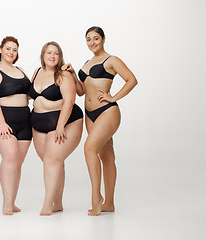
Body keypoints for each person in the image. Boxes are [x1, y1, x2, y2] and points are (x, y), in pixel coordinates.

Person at [63, 26, 138, 216]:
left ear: (103, 39)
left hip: (107, 111)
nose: (92, 43)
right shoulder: (87, 62)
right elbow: (81, 91)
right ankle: (109, 203)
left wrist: (114, 97)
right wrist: (73, 73)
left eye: (96, 38)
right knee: (107, 156)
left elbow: (131, 80)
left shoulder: (111, 60)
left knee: (89, 148)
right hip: (90, 114)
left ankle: (96, 197)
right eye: (88, 39)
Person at [29, 41, 83, 216]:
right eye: (49, 53)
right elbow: (29, 95)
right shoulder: (37, 72)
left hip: (63, 121)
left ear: (60, 57)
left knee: (52, 160)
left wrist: (60, 126)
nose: (52, 56)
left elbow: (70, 100)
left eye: (56, 53)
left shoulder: (64, 75)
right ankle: (58, 203)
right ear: (43, 55)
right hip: (38, 123)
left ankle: (47, 203)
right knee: (51, 161)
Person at [0, 36, 32, 215]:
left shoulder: (20, 70)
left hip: (24, 120)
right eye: (8, 48)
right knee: (10, 156)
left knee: (17, 163)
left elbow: (30, 93)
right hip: (3, 120)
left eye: (15, 49)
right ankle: (6, 204)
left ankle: (12, 202)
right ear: (0, 50)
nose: (11, 52)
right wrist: (2, 122)